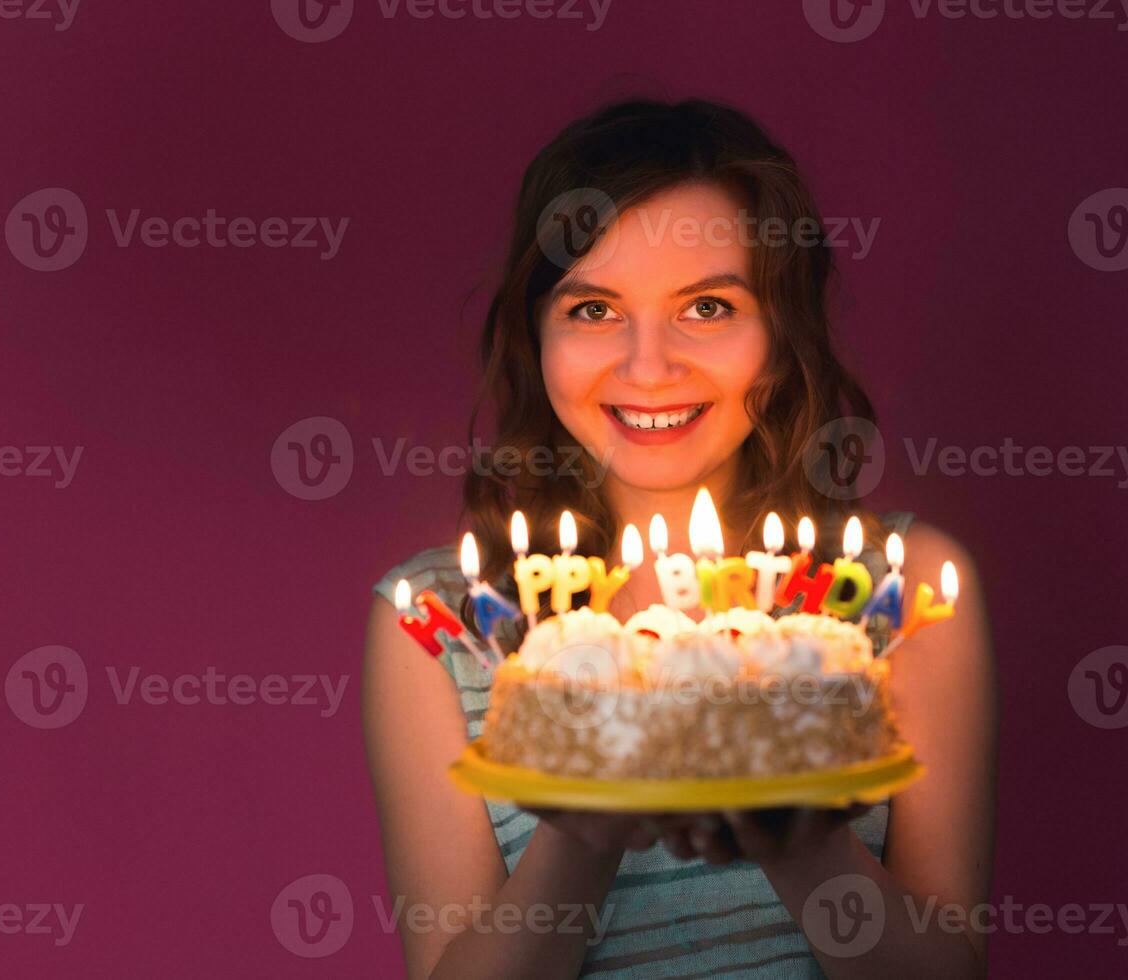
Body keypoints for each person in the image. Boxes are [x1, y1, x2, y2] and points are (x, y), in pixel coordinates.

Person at [363, 98, 997, 979]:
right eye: (593, 310)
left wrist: (798, 838)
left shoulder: (898, 592)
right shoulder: (444, 622)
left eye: (706, 306)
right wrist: (581, 828)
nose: (649, 365)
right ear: (534, 333)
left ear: (781, 337)